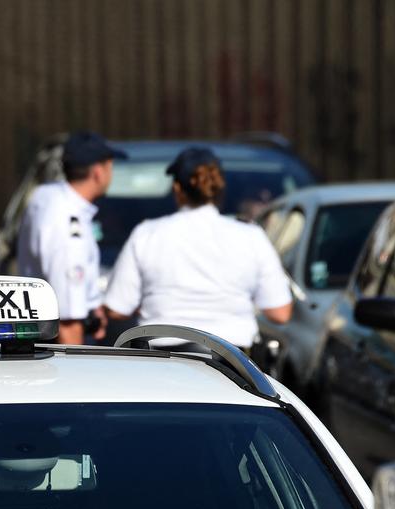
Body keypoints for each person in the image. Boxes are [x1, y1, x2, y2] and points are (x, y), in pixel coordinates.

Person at [103, 147, 292, 351]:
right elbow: (280, 312)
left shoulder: (147, 234)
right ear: (219, 188)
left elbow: (116, 308)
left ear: (177, 188)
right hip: (233, 364)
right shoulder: (251, 236)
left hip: (159, 364)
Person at [17, 131, 128, 344]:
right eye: (110, 166)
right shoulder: (67, 225)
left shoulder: (46, 197)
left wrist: (93, 304)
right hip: (63, 349)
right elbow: (68, 321)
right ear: (98, 172)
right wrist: (78, 374)